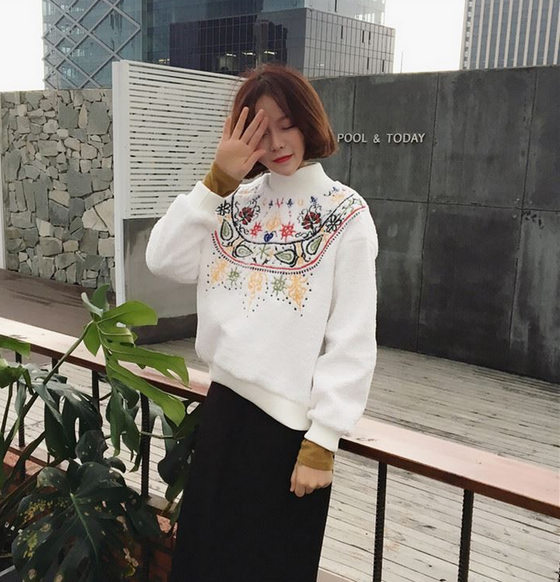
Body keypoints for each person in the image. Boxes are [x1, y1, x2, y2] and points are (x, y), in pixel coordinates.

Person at [145, 63, 378, 582]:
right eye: (259, 130)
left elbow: (353, 337)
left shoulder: (346, 214)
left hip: (289, 436)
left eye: (286, 125)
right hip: (223, 413)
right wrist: (216, 181)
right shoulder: (232, 203)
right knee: (202, 566)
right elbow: (162, 259)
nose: (275, 143)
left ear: (309, 122)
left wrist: (324, 439)